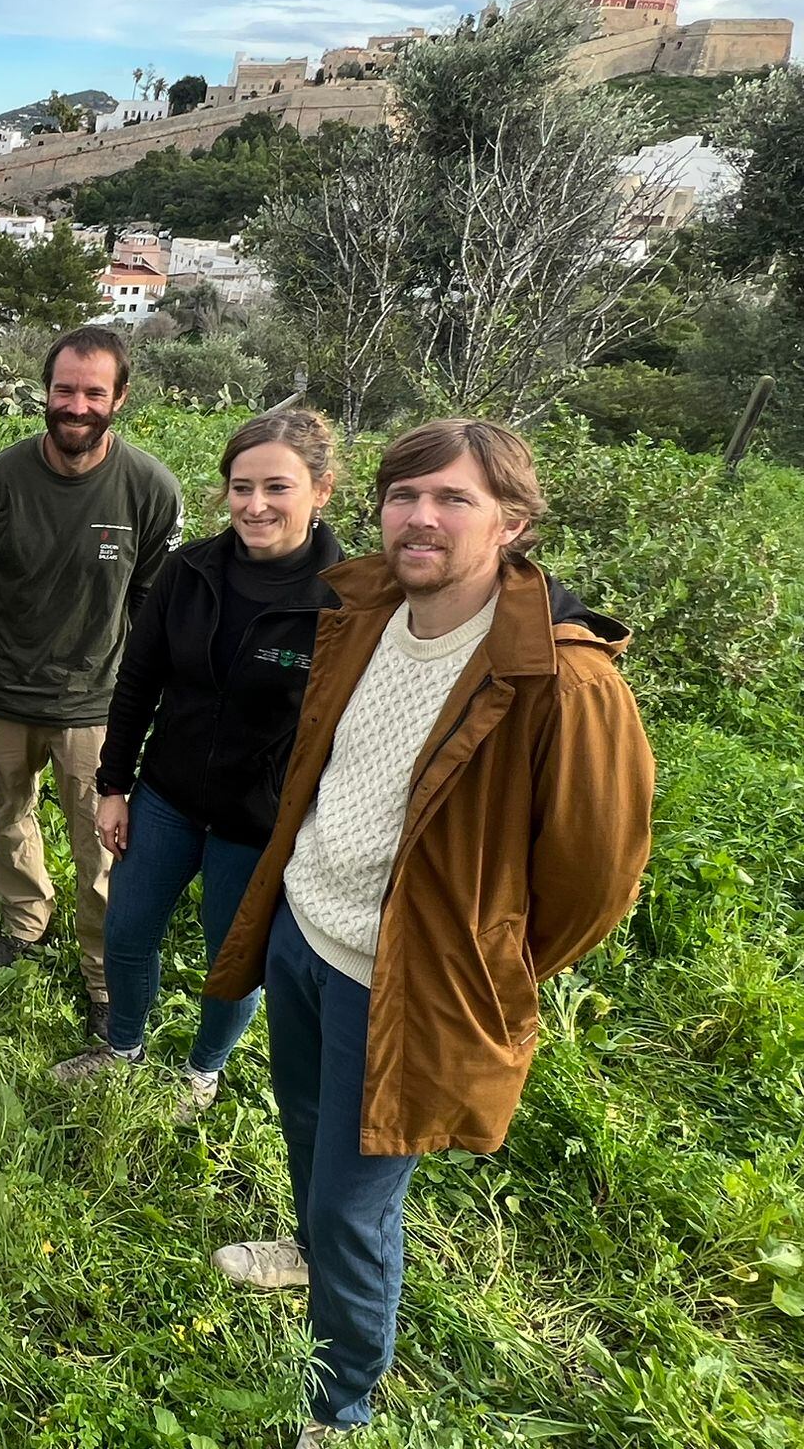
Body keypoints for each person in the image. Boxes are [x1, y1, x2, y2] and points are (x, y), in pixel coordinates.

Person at [199, 419, 654, 1446]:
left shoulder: (559, 680)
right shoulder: (364, 611)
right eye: (404, 494)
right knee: (307, 1136)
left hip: (403, 988)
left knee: (358, 1209)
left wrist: (481, 964)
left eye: (451, 499)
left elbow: (592, 878)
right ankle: (307, 1254)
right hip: (303, 938)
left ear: (513, 521)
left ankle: (338, 1409)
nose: (419, 516)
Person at [54, 409, 343, 1117]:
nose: (255, 505)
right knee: (126, 929)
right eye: (241, 487)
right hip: (168, 795)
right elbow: (138, 681)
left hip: (260, 819)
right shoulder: (190, 572)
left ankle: (201, 1072)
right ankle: (121, 1049)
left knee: (231, 959)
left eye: (277, 487)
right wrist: (114, 785)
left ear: (322, 490)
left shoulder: (347, 598)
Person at [0, 325, 184, 1038]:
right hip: (4, 693)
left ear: (120, 397)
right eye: (64, 389)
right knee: (8, 817)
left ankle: (102, 975)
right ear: (45, 391)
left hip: (98, 705)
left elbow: (152, 602)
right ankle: (26, 925)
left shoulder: (150, 489)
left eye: (93, 391)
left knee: (102, 846)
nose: (76, 405)